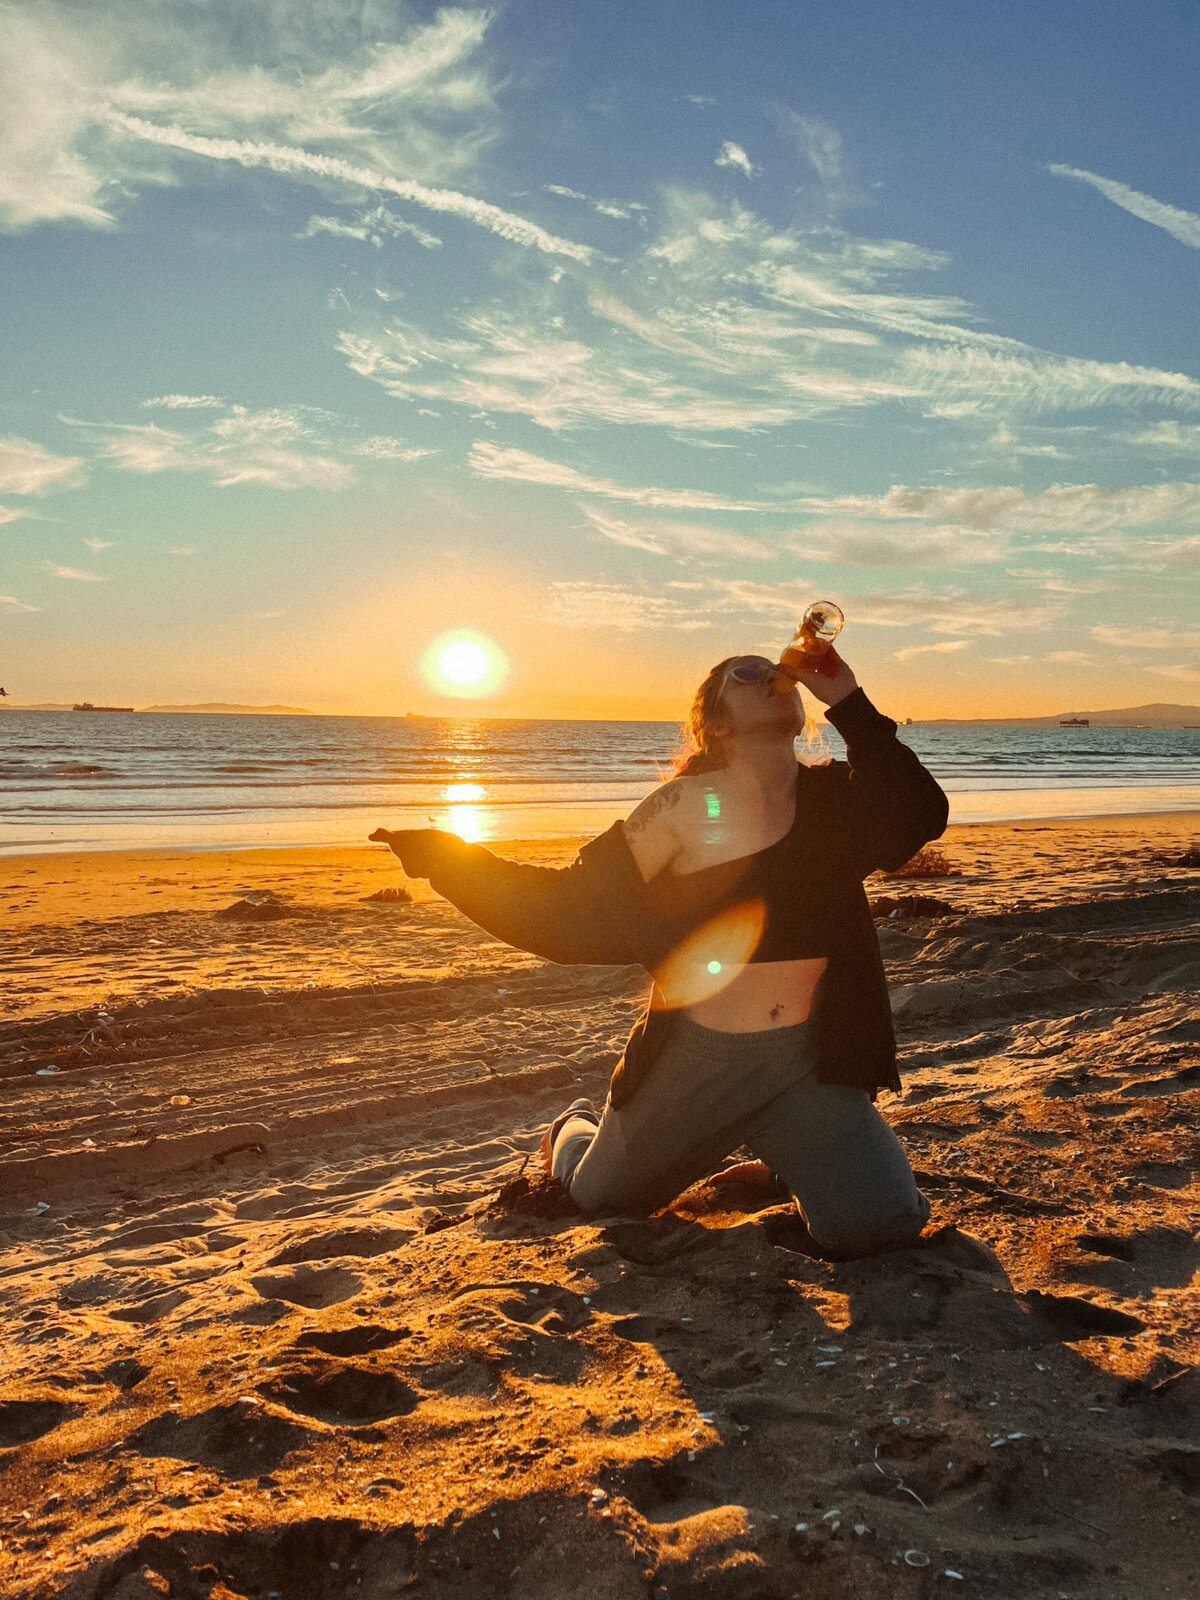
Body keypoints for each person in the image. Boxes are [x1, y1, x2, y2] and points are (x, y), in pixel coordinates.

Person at [371, 646, 948, 1260]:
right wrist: (450, 860)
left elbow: (920, 812)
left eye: (774, 670)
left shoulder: (835, 801)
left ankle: (782, 1159)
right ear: (717, 723)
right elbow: (567, 908)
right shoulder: (680, 809)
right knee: (597, 1201)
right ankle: (572, 1130)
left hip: (808, 1064)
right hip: (698, 1063)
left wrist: (849, 700)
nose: (773, 677)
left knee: (880, 1227)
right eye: (746, 673)